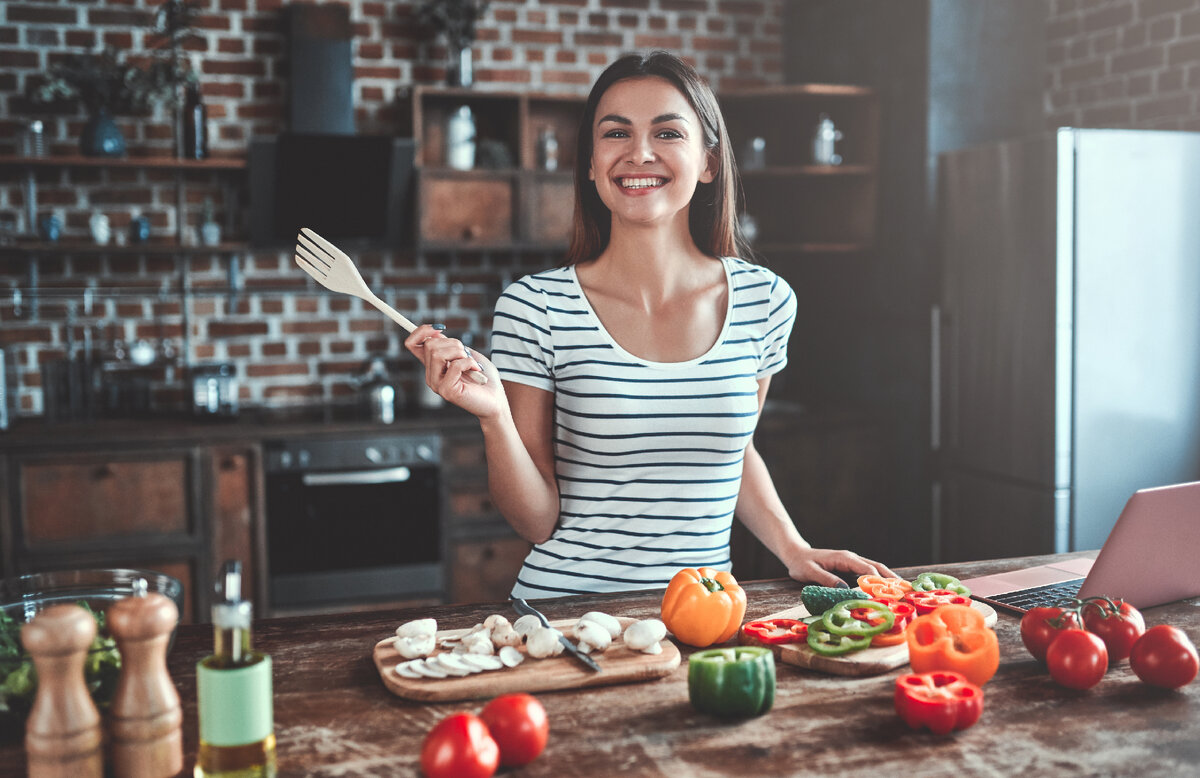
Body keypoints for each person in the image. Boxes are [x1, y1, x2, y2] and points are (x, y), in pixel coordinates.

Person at [405, 51, 896, 598]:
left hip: (705, 620)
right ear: (590, 163)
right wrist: (495, 417)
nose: (639, 153)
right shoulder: (535, 306)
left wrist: (792, 546)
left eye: (667, 133)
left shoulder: (765, 300)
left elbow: (734, 450)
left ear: (709, 162)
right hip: (571, 619)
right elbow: (535, 522)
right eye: (615, 134)